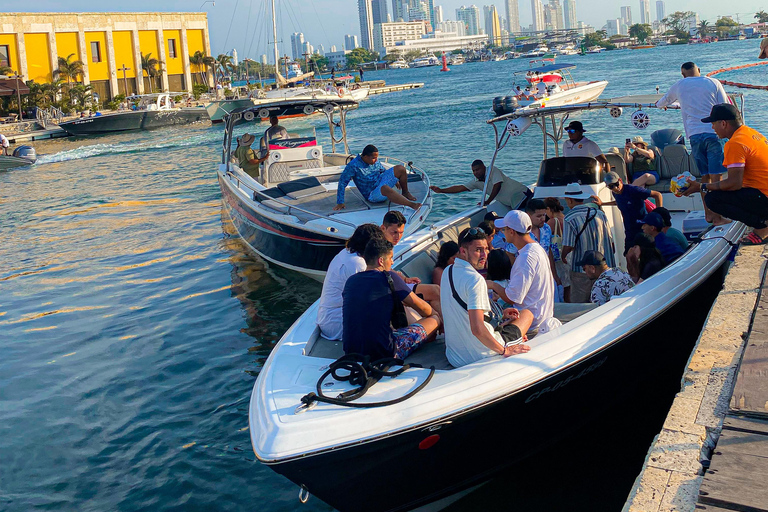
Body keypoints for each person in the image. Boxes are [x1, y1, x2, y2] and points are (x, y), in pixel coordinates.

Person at [441, 227, 533, 367]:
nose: (485, 254)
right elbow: (477, 329)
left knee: (510, 318)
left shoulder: (448, 271)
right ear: (463, 251)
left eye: (486, 248)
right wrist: (504, 351)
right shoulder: (475, 280)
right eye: (478, 250)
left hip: (455, 356)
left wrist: (500, 315)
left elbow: (463, 311)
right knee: (527, 314)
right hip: (481, 355)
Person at [682, 104, 768, 245]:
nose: (712, 128)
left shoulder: (735, 143)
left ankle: (762, 226)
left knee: (713, 199)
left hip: (764, 197)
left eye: (713, 123)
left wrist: (701, 187)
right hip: (762, 192)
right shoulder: (750, 133)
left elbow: (734, 184)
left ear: (723, 123)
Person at [656, 62, 730, 224]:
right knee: (716, 175)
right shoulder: (712, 82)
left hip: (695, 136)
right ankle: (719, 213)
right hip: (714, 132)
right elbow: (725, 105)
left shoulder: (679, 85)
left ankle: (709, 213)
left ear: (683, 75)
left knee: (704, 177)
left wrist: (664, 105)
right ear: (699, 71)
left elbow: (663, 102)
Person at [342, 238, 440, 360]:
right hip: (384, 353)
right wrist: (435, 316)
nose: (392, 262)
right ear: (381, 261)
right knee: (434, 319)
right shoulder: (389, 277)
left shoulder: (351, 281)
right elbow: (423, 307)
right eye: (391, 258)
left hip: (351, 352)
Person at [486, 210, 562, 334]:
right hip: (543, 314)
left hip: (531, 324)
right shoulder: (537, 248)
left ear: (512, 231)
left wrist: (492, 285)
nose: (503, 232)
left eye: (504, 229)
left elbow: (512, 297)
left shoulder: (525, 258)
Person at [317, 224, 384, 340]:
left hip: (328, 318)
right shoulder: (357, 263)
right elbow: (367, 298)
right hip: (338, 322)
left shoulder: (346, 253)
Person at [560, 183, 616, 303]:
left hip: (582, 270)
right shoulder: (600, 214)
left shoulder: (569, 218)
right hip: (604, 267)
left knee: (580, 305)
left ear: (569, 200)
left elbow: (569, 245)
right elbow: (611, 243)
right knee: (605, 302)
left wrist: (563, 256)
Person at [593, 171, 663, 254]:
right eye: (611, 187)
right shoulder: (615, 194)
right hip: (629, 230)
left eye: (616, 184)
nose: (615, 188)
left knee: (645, 254)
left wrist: (658, 214)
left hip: (642, 228)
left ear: (620, 180)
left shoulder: (633, 190)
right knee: (628, 255)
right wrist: (603, 203)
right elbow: (619, 202)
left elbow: (657, 195)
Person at [335, 145, 421, 211]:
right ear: (365, 157)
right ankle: (411, 205)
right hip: (372, 194)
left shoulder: (375, 161)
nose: (376, 160)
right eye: (373, 158)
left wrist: (394, 180)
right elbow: (342, 183)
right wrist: (340, 202)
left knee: (400, 168)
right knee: (385, 188)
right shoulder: (353, 166)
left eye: (377, 158)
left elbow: (382, 170)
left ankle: (405, 192)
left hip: (380, 181)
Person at [429, 160, 520, 208]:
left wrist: (488, 201)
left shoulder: (492, 170)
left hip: (521, 194)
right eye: (473, 171)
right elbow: (460, 188)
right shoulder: (476, 181)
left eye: (478, 169)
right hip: (511, 203)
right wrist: (441, 190)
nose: (476, 172)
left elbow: (497, 186)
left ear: (484, 167)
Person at [545, 197, 571, 302]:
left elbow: (545, 239)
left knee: (560, 284)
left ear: (548, 209)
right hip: (567, 255)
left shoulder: (552, 222)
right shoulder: (566, 218)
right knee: (568, 285)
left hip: (557, 258)